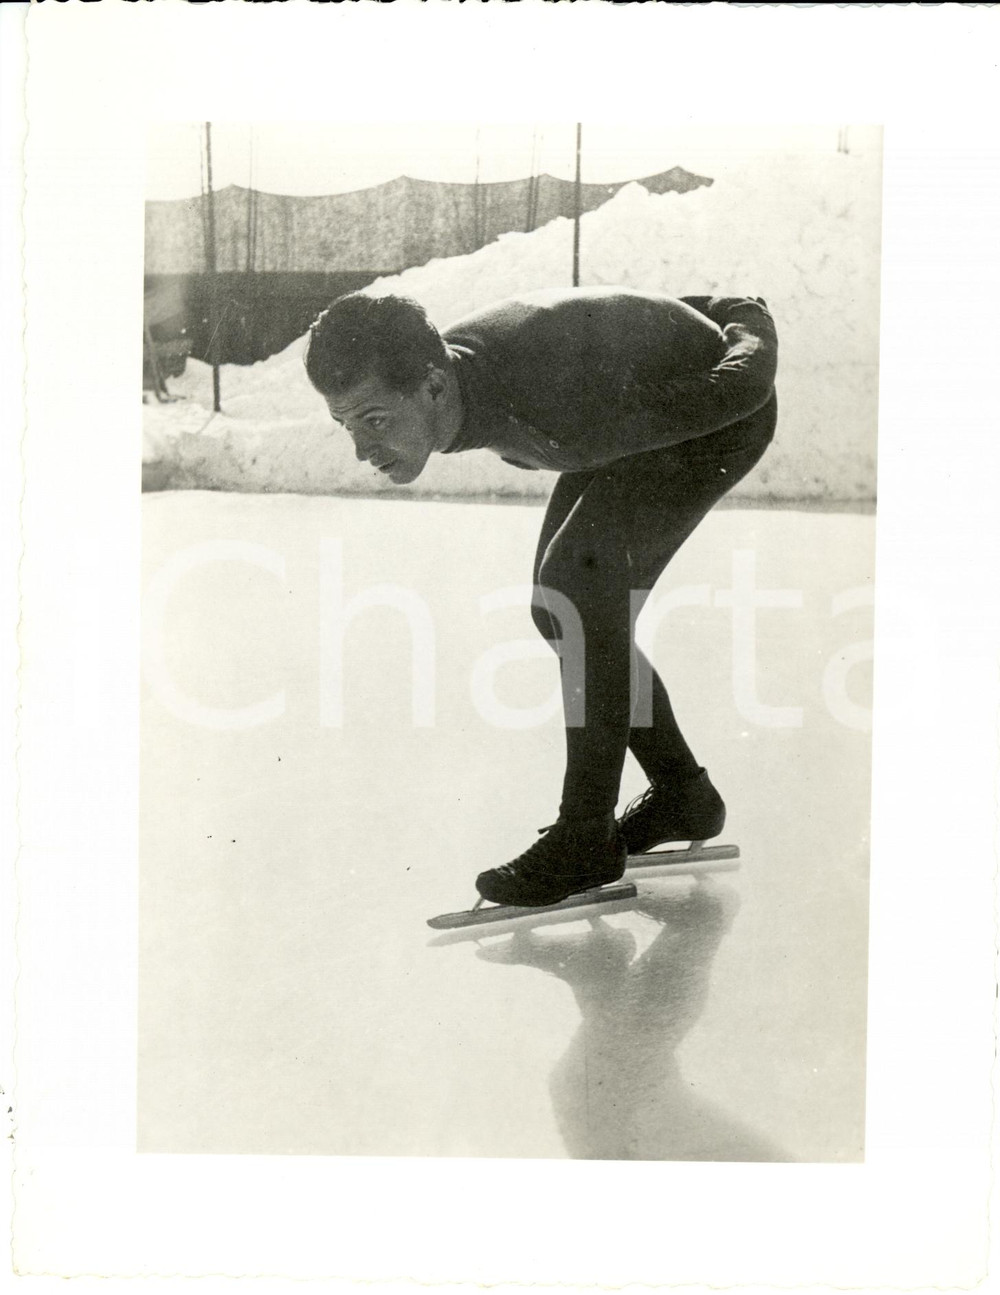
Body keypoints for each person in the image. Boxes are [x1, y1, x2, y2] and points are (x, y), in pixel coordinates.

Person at [304, 286, 778, 908]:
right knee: (562, 606)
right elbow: (597, 318)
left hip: (717, 418)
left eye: (375, 421)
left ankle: (586, 836)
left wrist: (741, 313)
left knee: (578, 596)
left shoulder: (556, 407)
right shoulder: (473, 377)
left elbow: (741, 389)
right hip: (619, 410)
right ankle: (682, 794)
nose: (363, 450)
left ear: (434, 387)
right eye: (347, 425)